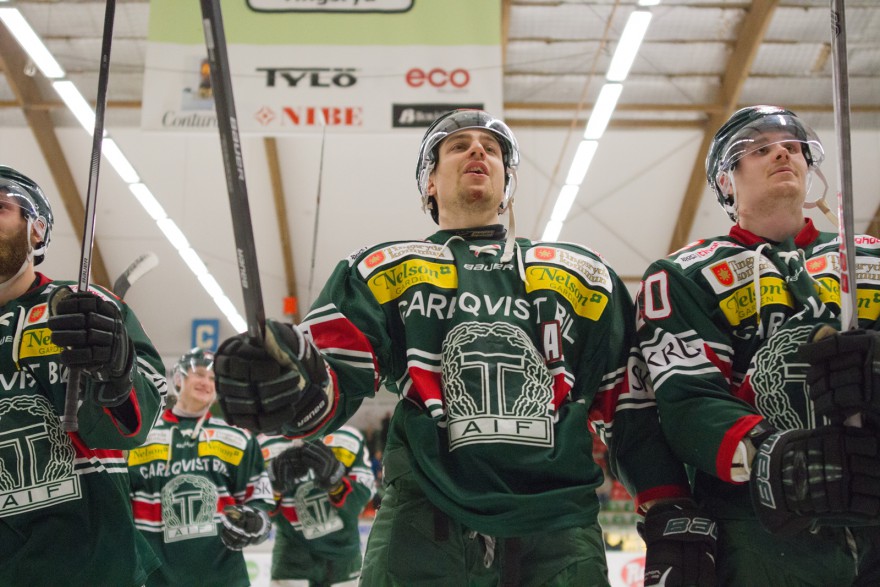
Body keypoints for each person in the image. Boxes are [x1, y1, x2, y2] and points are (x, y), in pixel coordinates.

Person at [212, 109, 705, 586]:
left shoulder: (582, 274)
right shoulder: (383, 270)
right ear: (429, 181)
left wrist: (666, 505)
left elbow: (631, 407)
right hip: (422, 524)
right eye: (458, 145)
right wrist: (290, 382)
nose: (477, 150)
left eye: (491, 149)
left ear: (507, 184)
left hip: (557, 529)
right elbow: (332, 386)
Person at [636, 105, 880, 585]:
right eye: (760, 149)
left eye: (792, 147)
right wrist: (774, 456)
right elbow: (689, 397)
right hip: (759, 522)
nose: (782, 153)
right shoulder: (684, 275)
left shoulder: (868, 258)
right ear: (727, 181)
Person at [0, 166, 166, 586]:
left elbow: (136, 426)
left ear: (36, 230)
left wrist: (117, 373)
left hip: (90, 564)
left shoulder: (86, 307)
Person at [128, 348, 274, 586]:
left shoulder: (237, 438)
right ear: (178, 378)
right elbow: (124, 503)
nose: (206, 382)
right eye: (199, 374)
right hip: (160, 579)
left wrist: (256, 521)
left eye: (213, 378)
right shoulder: (143, 437)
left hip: (225, 577)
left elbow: (260, 498)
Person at [260, 425, 376, 586]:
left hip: (343, 561)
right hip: (292, 561)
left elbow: (364, 500)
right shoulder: (265, 446)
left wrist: (337, 484)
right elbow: (258, 518)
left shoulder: (348, 438)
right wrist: (272, 489)